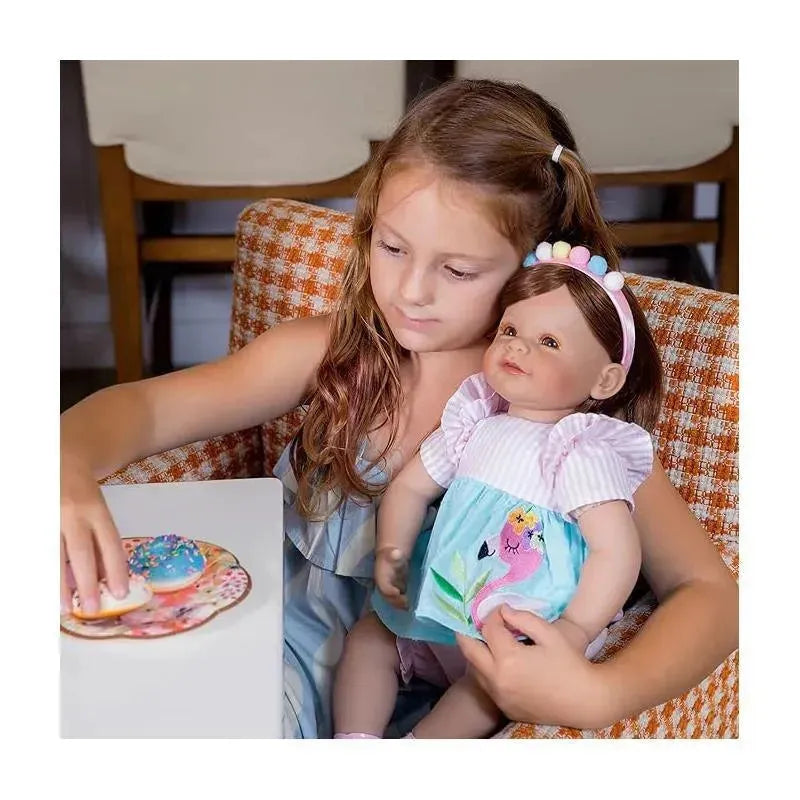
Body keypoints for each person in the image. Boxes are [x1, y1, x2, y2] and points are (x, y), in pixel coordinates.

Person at [60, 79, 738, 738]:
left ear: (536, 270)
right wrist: (66, 461)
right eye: (391, 246)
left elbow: (711, 593)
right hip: (256, 641)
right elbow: (148, 409)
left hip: (395, 703)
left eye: (458, 270)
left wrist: (600, 694)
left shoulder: (558, 429)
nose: (411, 291)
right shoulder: (333, 353)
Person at [333, 241, 660, 739]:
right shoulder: (474, 423)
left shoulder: (579, 449)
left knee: (483, 693)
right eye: (510, 330)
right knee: (369, 638)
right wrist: (392, 553)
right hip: (439, 600)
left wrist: (575, 628)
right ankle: (355, 739)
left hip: (515, 627)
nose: (518, 347)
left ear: (604, 379)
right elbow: (409, 489)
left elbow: (615, 550)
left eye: (548, 342)